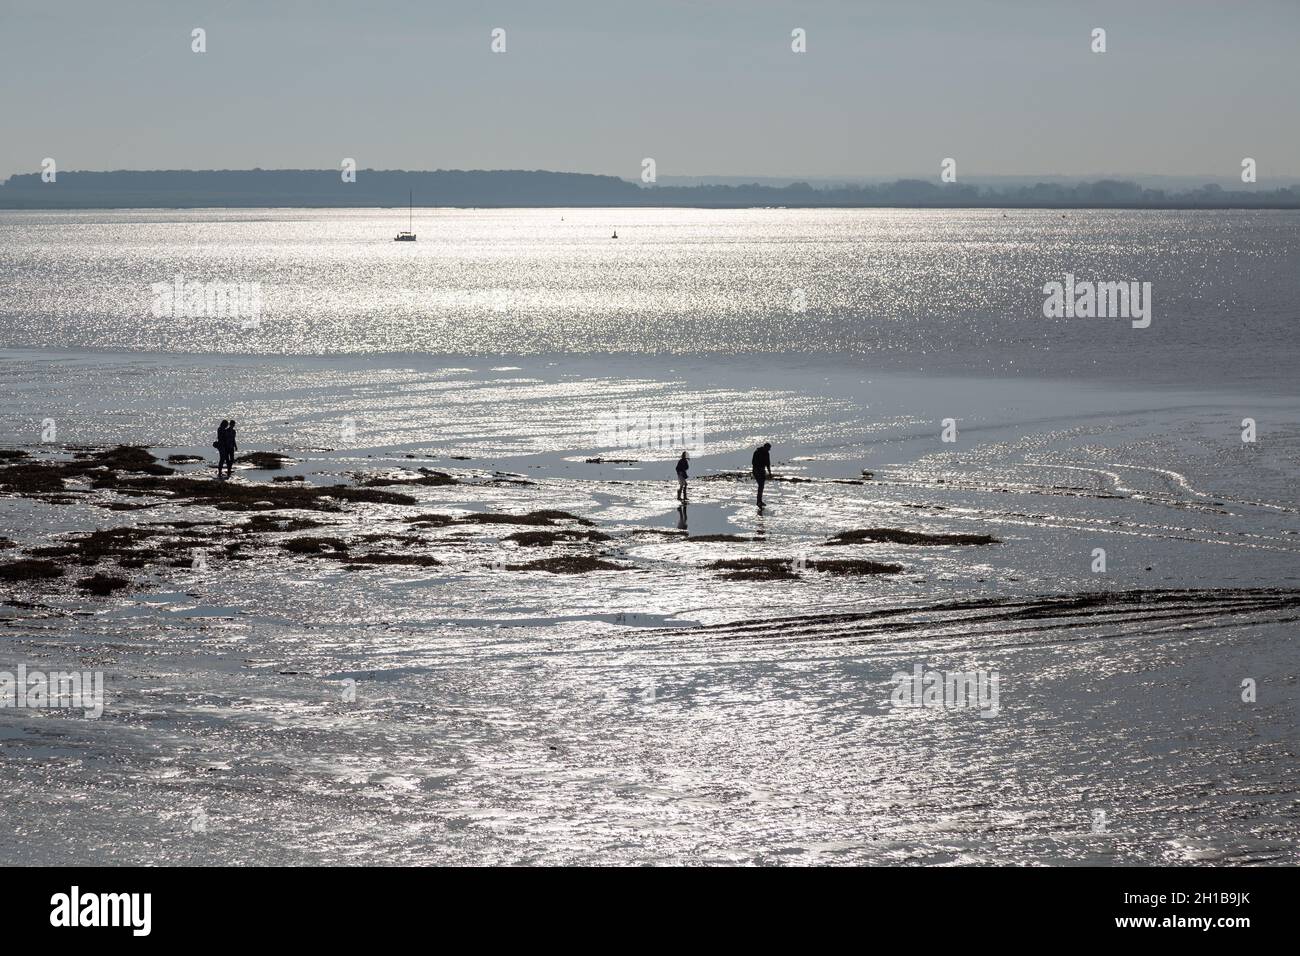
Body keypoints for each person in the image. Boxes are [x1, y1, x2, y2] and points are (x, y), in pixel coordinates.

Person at [751, 442, 772, 507]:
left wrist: (770, 472)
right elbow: (753, 462)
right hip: (756, 470)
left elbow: (768, 463)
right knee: (760, 485)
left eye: (769, 449)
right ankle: (758, 502)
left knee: (761, 486)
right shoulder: (757, 452)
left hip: (762, 471)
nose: (768, 450)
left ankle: (759, 501)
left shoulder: (767, 453)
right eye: (768, 449)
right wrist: (758, 470)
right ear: (765, 447)